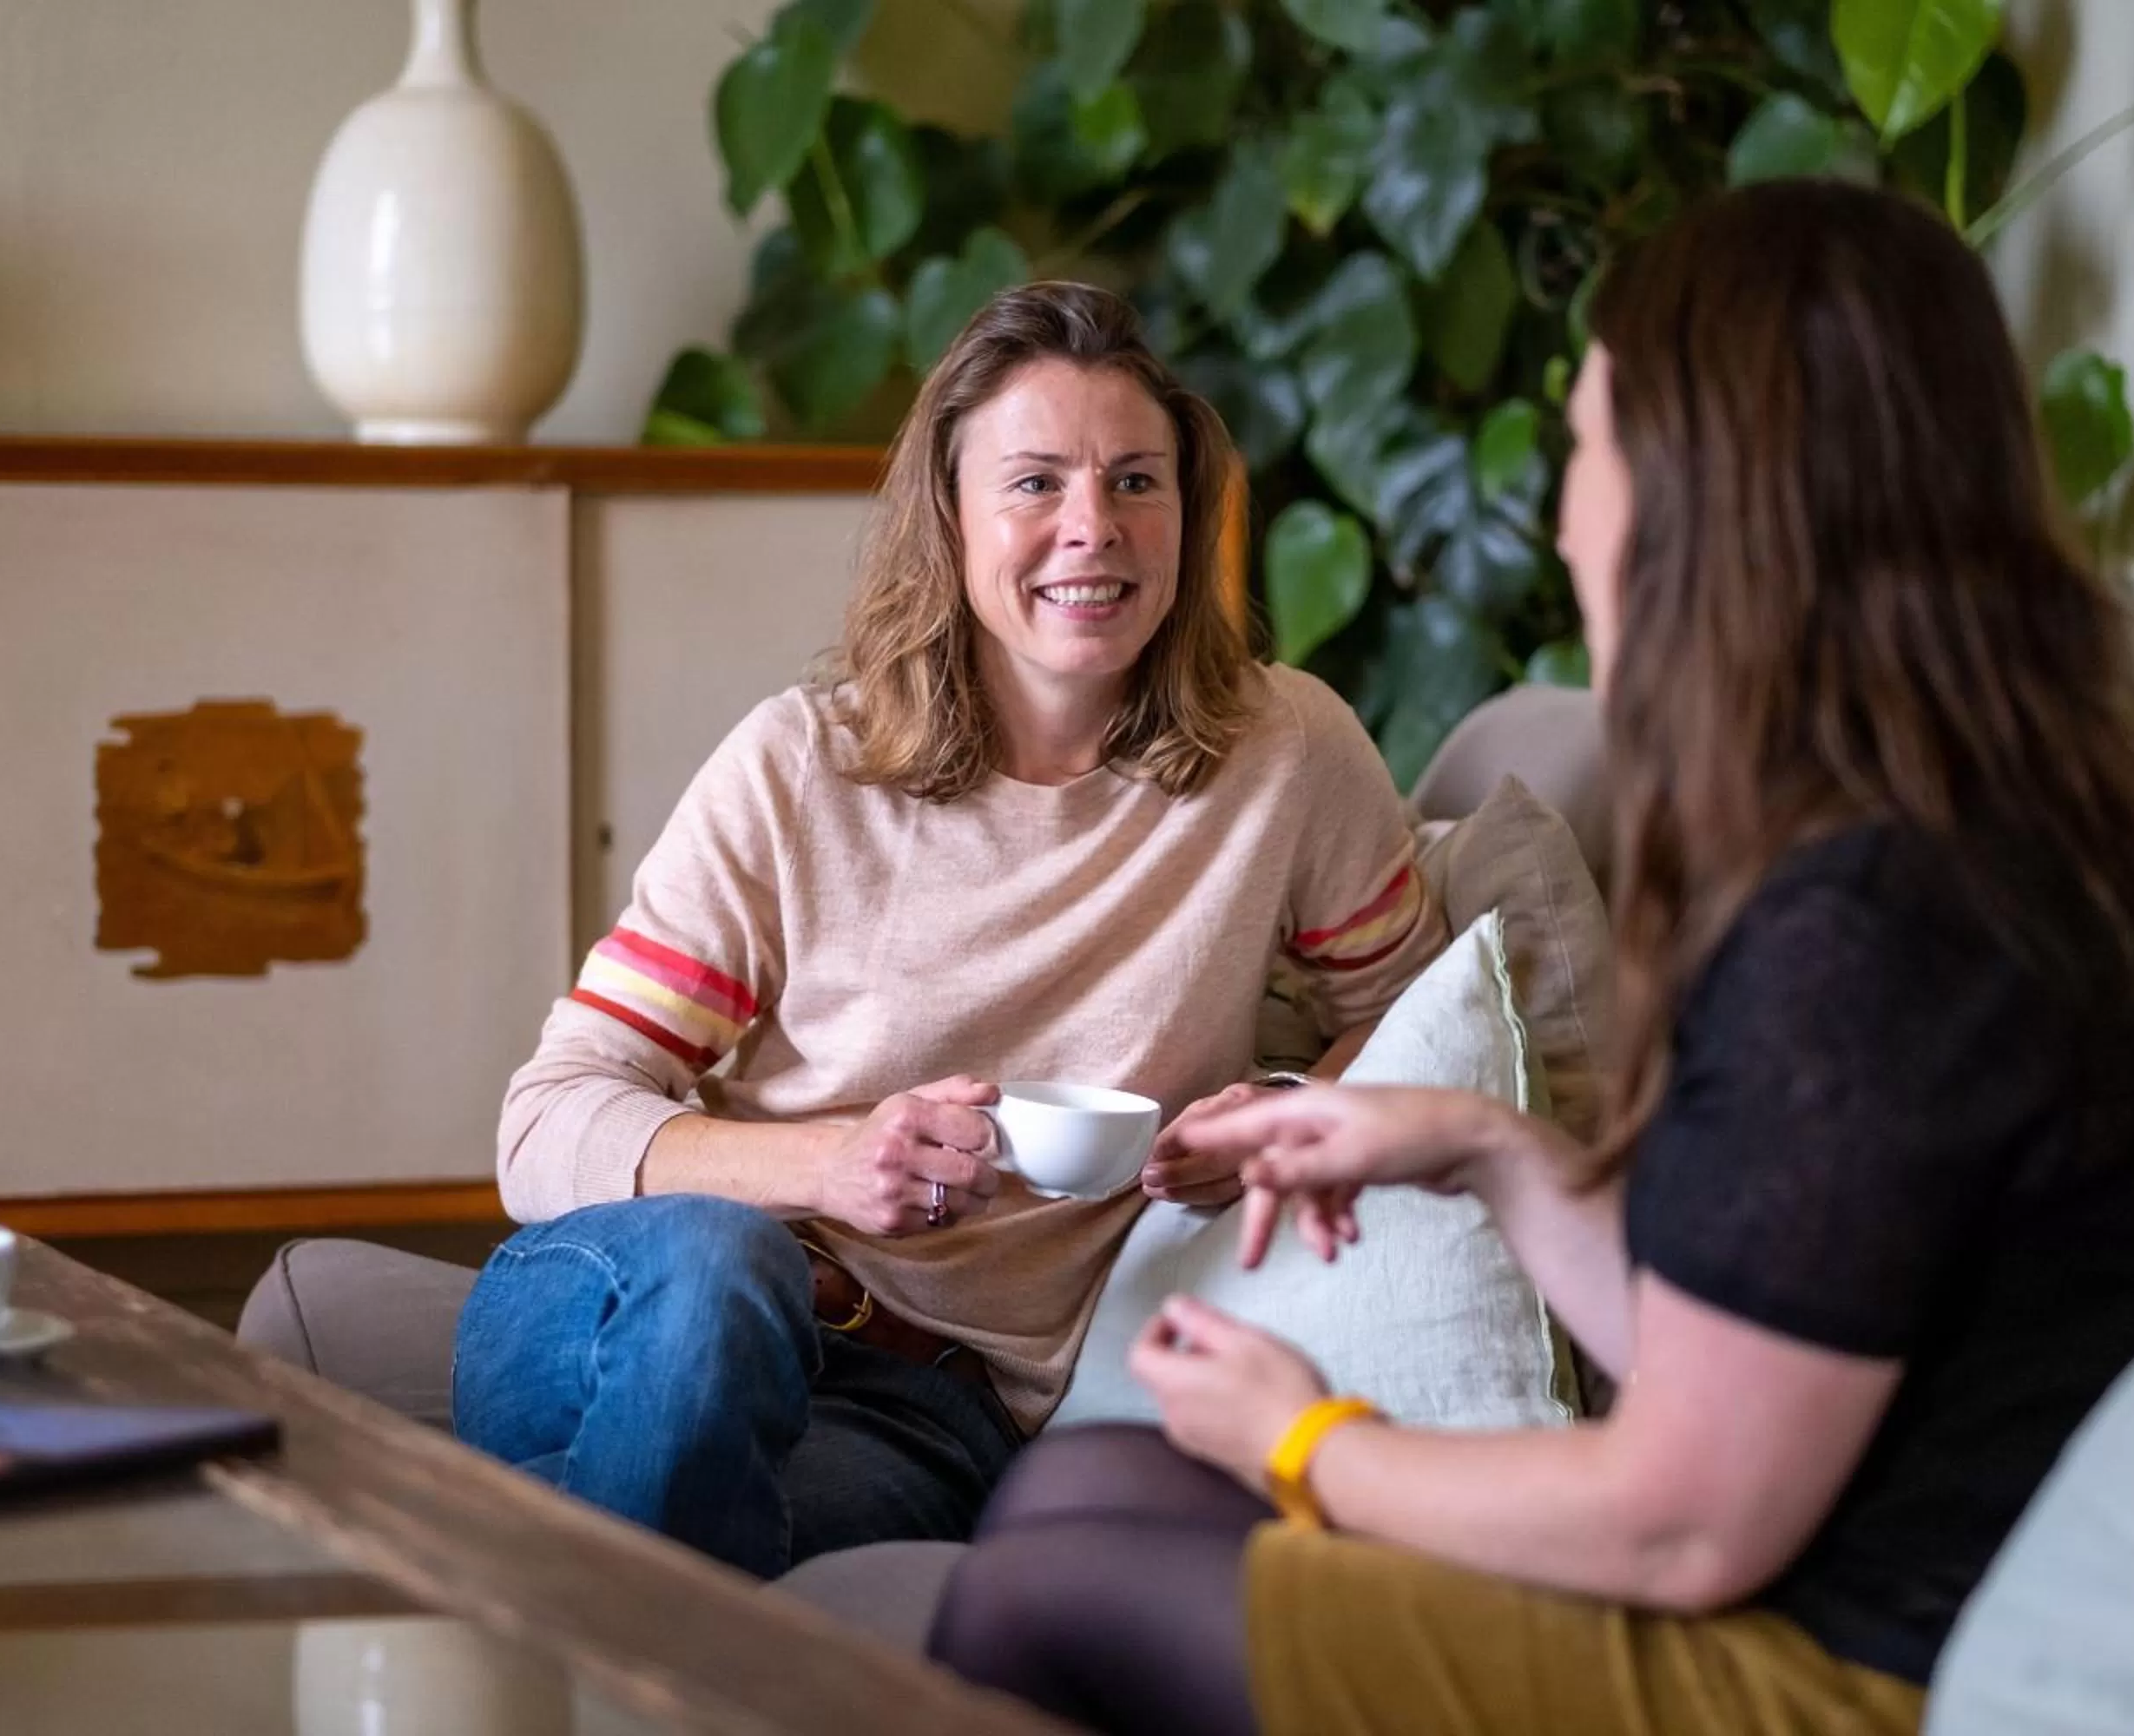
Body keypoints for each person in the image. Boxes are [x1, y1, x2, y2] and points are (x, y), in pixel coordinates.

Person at [925, 181, 2134, 1736]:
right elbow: (1748, 1353)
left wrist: (1311, 1444)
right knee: (1088, 1484)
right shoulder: (1971, 840)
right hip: (1833, 1600)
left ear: (1709, 499)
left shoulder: (1878, 931)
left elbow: (1686, 1517)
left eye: (1587, 447)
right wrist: (1487, 1151)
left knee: (1044, 1589)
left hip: (1845, 1682)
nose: (1566, 511)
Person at [450, 282, 1446, 1578]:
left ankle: (528, 1602)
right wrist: (827, 1168)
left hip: (926, 1405)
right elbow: (543, 1123)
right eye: (1036, 483)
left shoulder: (1285, 755)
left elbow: (1422, 1022)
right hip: (629, 1301)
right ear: (951, 517)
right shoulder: (802, 769)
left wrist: (1274, 1115)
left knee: (720, 1535)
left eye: (1137, 482)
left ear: (1188, 516)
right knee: (717, 1275)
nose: (1094, 529)